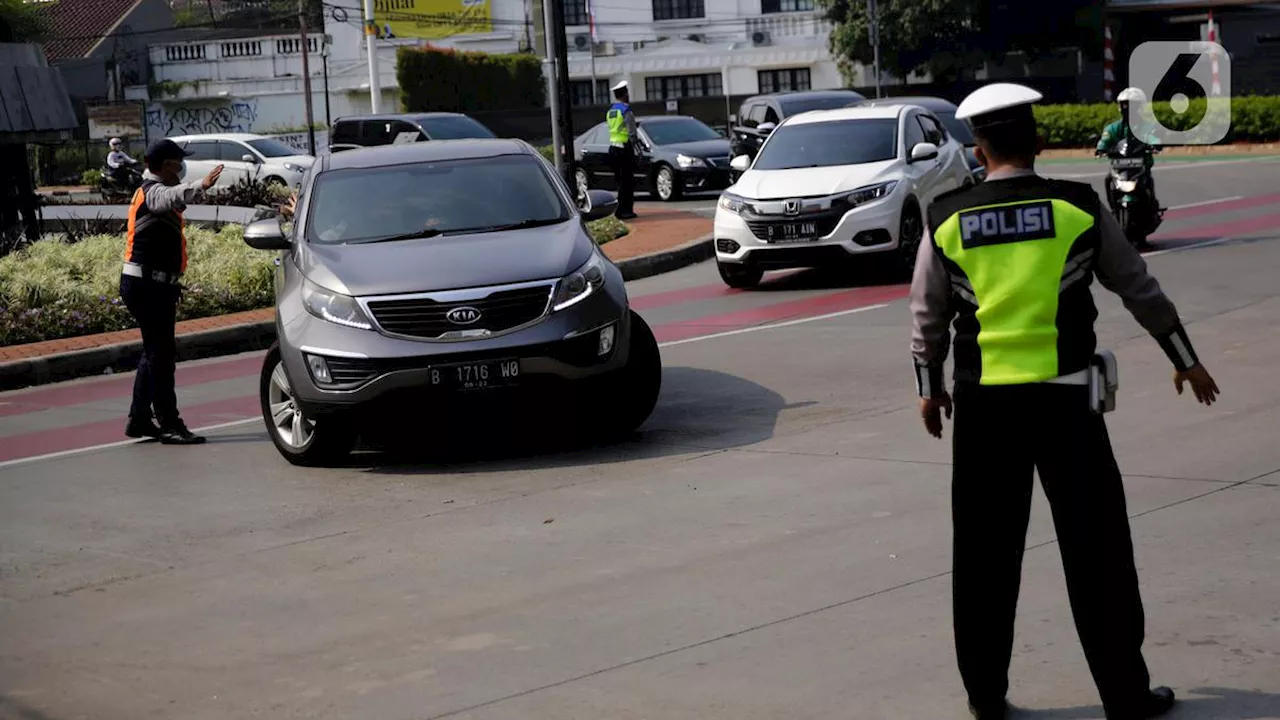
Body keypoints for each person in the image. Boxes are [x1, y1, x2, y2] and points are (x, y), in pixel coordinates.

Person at [908, 82, 1221, 720]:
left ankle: (986, 699)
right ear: (1038, 140)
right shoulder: (1075, 205)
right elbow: (1139, 288)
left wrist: (928, 391)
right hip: (1068, 407)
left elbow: (927, 317)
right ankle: (1125, 696)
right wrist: (1185, 361)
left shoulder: (946, 216)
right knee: (1097, 549)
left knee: (984, 557)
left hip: (986, 413)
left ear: (979, 145)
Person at [121, 139, 223, 445]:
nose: (182, 166)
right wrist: (201, 185)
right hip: (146, 285)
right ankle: (169, 423)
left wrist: (170, 282)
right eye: (179, 161)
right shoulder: (152, 192)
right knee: (161, 357)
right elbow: (171, 196)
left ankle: (139, 419)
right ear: (166, 166)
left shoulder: (151, 192)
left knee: (154, 353)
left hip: (154, 284)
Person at [1096, 87, 1161, 210]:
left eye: (1131, 105)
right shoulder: (1113, 128)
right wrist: (1101, 148)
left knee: (1147, 181)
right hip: (1120, 165)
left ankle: (1152, 207)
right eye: (1124, 104)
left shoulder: (1148, 126)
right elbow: (1105, 140)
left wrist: (1155, 144)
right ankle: (1113, 208)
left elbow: (1153, 137)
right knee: (1108, 179)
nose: (1127, 108)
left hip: (1140, 165)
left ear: (1139, 107)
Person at [606, 80, 641, 220]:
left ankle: (620, 210)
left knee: (620, 182)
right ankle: (626, 210)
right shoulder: (626, 111)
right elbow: (632, 133)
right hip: (624, 149)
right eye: (627, 92)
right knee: (628, 181)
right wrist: (638, 150)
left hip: (613, 148)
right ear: (625, 94)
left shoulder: (611, 111)